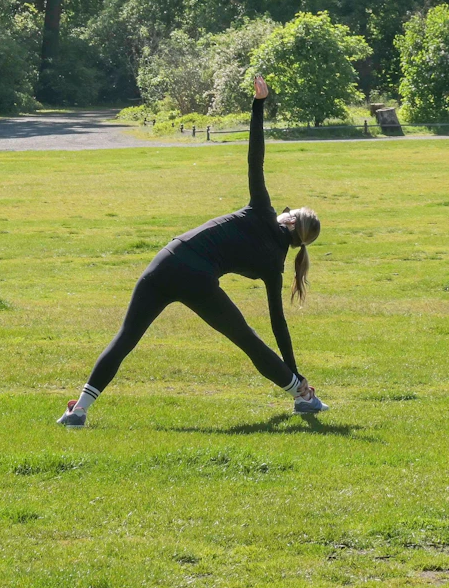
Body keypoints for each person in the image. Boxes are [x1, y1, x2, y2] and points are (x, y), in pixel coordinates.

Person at [57, 74, 325, 426]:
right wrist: (294, 370)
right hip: (197, 278)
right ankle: (302, 395)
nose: (283, 209)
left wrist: (259, 105)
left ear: (289, 223)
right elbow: (278, 325)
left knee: (125, 338)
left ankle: (79, 411)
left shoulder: (262, 211)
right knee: (247, 340)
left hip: (168, 258)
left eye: (289, 211)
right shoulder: (275, 264)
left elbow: (255, 159)